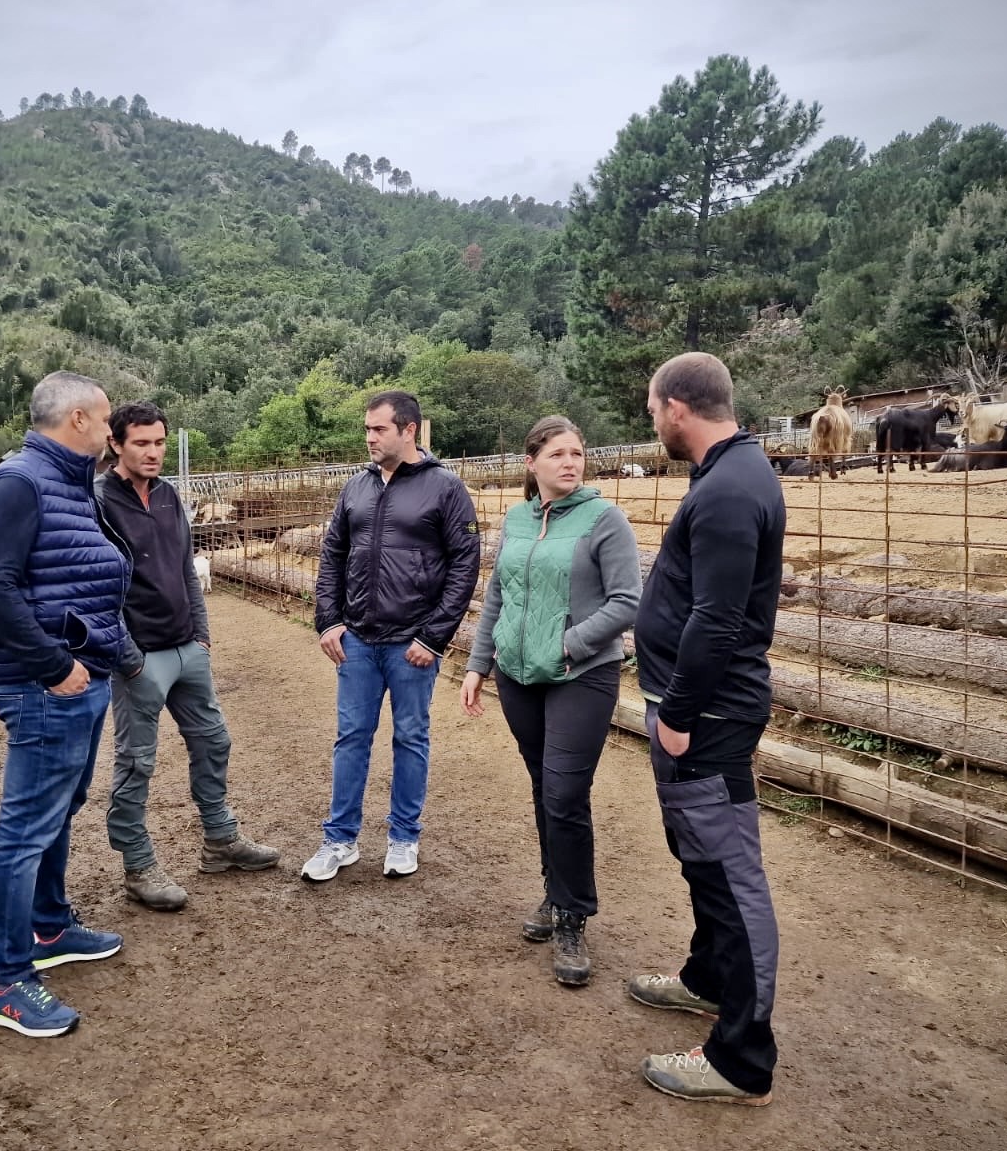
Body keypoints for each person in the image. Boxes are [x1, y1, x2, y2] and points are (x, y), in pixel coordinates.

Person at [627, 352, 785, 1105]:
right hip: (697, 709)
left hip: (708, 716)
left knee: (730, 873)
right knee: (701, 857)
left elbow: (717, 619)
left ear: (677, 407)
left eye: (653, 408)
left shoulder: (727, 489)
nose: (652, 420)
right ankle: (706, 978)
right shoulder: (730, 475)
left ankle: (740, 1058)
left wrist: (681, 714)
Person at [0, 371, 129, 1038]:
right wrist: (55, 665)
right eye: (108, 419)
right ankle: (7, 981)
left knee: (63, 807)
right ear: (80, 421)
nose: (113, 432)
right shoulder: (19, 483)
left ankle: (49, 928)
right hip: (46, 686)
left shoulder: (65, 481)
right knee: (25, 828)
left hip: (82, 679)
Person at [460, 416, 640, 987]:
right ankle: (553, 892)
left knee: (565, 793)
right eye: (558, 454)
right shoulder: (516, 519)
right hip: (518, 675)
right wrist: (477, 663)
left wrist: (568, 641)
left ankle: (573, 916)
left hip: (579, 674)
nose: (571, 462)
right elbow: (497, 596)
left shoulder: (604, 520)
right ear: (531, 462)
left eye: (578, 453)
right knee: (544, 789)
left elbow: (628, 600)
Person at [96, 401, 279, 911]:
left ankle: (220, 841)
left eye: (159, 443)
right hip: (138, 657)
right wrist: (128, 658)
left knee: (213, 741)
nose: (153, 453)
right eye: (141, 444)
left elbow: (183, 569)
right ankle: (137, 863)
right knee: (137, 761)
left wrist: (201, 634)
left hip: (186, 648)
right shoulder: (98, 502)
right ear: (116, 444)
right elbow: (95, 589)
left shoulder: (170, 495)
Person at [302, 390, 480, 882]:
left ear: (409, 430)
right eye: (366, 429)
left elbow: (465, 565)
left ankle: (404, 838)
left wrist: (433, 636)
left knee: (411, 737)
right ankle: (340, 840)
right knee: (351, 738)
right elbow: (332, 555)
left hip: (412, 645)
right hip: (356, 639)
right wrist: (328, 620)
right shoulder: (355, 488)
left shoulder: (445, 488)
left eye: (378, 429)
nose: (369, 438)